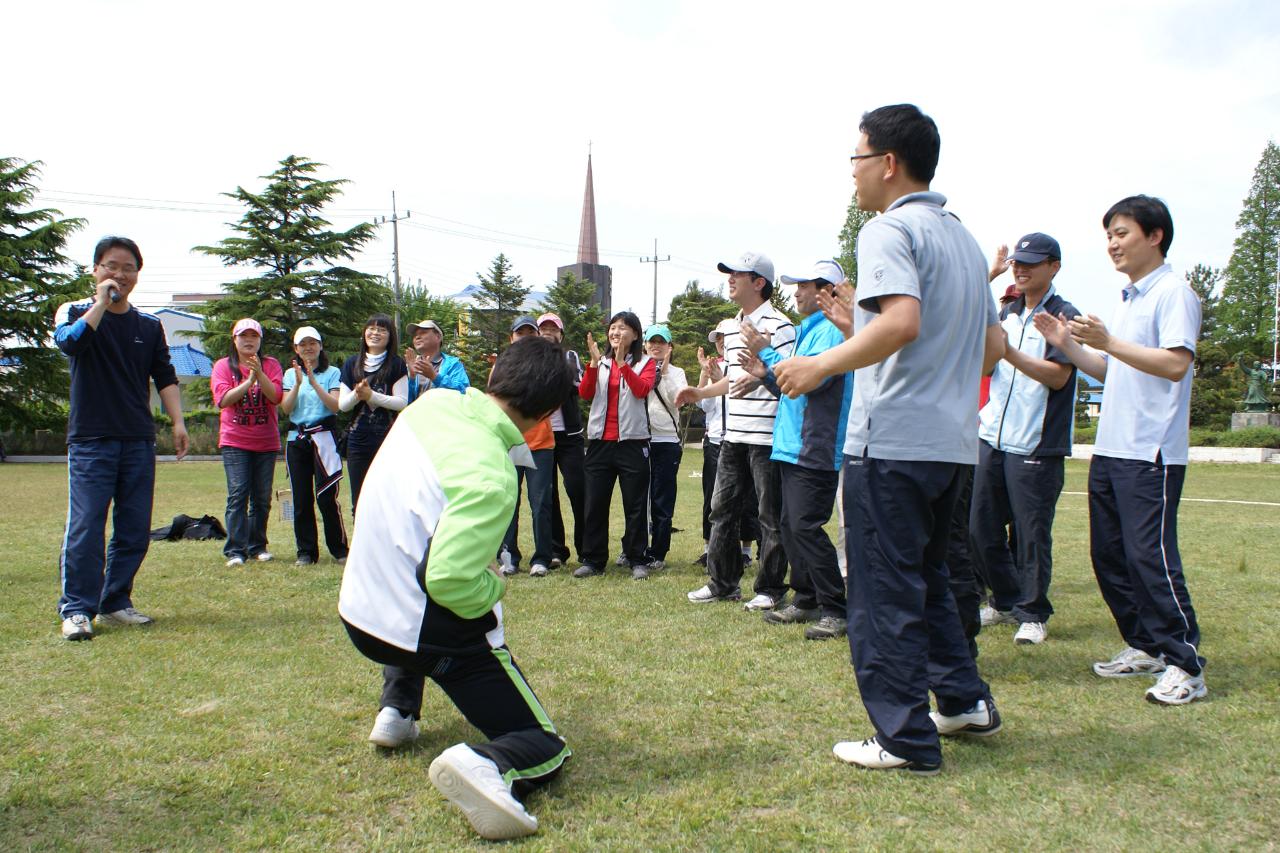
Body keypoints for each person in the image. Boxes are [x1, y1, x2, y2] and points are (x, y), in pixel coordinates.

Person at [775, 104, 1006, 774]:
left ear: (887, 162)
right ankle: (962, 700)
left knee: (882, 590)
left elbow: (901, 322)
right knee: (931, 579)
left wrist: (820, 362)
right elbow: (991, 348)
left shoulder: (887, 230)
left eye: (856, 157)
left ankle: (904, 735)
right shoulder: (962, 239)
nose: (851, 172)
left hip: (892, 443)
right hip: (952, 443)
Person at [339, 335, 574, 841]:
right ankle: (482, 763)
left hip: (359, 610)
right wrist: (493, 593)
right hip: (415, 629)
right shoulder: (493, 474)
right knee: (543, 742)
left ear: (492, 377)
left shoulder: (432, 405)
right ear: (548, 413)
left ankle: (397, 708)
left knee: (417, 552)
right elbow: (447, 579)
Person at [1034, 195, 1206, 705]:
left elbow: (1176, 364)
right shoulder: (1131, 298)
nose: (1112, 243)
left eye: (1123, 232)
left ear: (1155, 236)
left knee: (1149, 558)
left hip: (1150, 452)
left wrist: (1107, 342)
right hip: (1113, 449)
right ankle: (1147, 646)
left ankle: (1185, 664)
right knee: (1109, 555)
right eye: (1109, 234)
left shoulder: (1173, 293)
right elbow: (1117, 371)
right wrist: (1068, 345)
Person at [53, 235, 189, 641]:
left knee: (133, 527)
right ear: (95, 270)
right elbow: (70, 344)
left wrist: (177, 423)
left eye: (128, 268)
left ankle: (115, 601)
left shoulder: (148, 326)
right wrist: (100, 303)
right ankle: (77, 609)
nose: (120, 274)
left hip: (137, 439)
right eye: (111, 266)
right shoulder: (75, 312)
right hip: (91, 440)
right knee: (87, 526)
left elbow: (164, 376)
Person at [971, 233, 1081, 646]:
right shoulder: (1007, 312)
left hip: (1036, 442)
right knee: (978, 527)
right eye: (1018, 262)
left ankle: (1033, 612)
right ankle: (1004, 600)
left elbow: (1058, 376)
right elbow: (986, 367)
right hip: (992, 435)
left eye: (1032, 263)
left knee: (1032, 533)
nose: (1021, 268)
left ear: (1054, 267)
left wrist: (1009, 354)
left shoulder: (1064, 315)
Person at [742, 260, 853, 641]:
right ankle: (806, 597)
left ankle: (836, 608)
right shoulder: (809, 329)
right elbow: (792, 388)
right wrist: (767, 375)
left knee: (805, 526)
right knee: (791, 526)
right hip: (792, 443)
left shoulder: (834, 333)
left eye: (804, 286)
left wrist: (768, 354)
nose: (796, 292)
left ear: (828, 291)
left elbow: (814, 382)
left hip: (816, 444)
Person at [677, 253, 795, 608]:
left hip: (767, 437)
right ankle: (722, 582)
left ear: (759, 282)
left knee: (769, 516)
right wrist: (701, 392)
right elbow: (732, 379)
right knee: (721, 510)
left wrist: (760, 376)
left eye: (737, 274)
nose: (729, 279)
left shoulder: (781, 325)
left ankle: (770, 589)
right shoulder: (728, 327)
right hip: (733, 435)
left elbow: (786, 377)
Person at [574, 311, 656, 579]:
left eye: (622, 328)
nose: (616, 332)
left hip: (633, 442)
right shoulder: (601, 362)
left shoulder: (646, 363)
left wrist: (622, 364)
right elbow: (585, 394)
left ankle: (637, 558)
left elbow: (641, 390)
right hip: (600, 442)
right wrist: (594, 364)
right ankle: (593, 559)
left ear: (634, 334)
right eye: (613, 328)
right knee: (595, 503)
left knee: (635, 504)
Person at [211, 318, 284, 567]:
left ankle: (257, 546)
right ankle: (235, 550)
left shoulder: (271, 365)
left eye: (254, 336)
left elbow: (275, 396)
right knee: (238, 494)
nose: (248, 340)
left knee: (261, 498)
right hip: (235, 441)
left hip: (266, 441)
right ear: (235, 340)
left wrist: (260, 374)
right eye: (243, 336)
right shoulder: (223, 366)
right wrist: (249, 381)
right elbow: (223, 400)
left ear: (260, 340)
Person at [695, 320, 761, 571]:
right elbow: (705, 406)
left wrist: (720, 379)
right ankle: (709, 549)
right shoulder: (714, 366)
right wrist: (705, 375)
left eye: (725, 336)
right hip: (715, 439)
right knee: (711, 497)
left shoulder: (746, 364)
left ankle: (745, 550)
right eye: (717, 338)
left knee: (746, 499)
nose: (721, 342)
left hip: (742, 438)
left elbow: (743, 398)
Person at [280, 326, 348, 566]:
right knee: (301, 498)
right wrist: (299, 383)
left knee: (327, 496)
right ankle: (306, 552)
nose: (308, 348)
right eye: (303, 344)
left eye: (312, 343)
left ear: (320, 345)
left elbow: (335, 405)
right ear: (296, 349)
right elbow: (286, 408)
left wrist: (313, 382)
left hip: (324, 437)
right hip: (297, 440)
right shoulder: (290, 375)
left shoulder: (332, 372)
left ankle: (339, 549)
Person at [497, 316, 557, 577]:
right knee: (508, 501)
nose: (524, 337)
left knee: (541, 501)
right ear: (512, 337)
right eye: (519, 333)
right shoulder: (501, 364)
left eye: (529, 332)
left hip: (541, 444)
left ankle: (542, 557)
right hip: (509, 442)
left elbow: (554, 399)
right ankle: (509, 556)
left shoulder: (546, 364)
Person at [339, 314, 408, 513]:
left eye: (382, 330)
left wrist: (371, 395)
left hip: (387, 439)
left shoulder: (397, 364)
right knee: (359, 502)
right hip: (358, 440)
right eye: (371, 328)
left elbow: (401, 402)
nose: (375, 333)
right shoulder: (352, 364)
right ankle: (361, 544)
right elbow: (343, 405)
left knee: (387, 501)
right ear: (364, 332)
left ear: (390, 336)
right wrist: (358, 394)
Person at [536, 313, 587, 568]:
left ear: (561, 334)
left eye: (552, 328)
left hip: (569, 435)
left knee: (578, 489)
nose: (547, 331)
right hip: (541, 435)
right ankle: (557, 550)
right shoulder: (530, 358)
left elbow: (577, 383)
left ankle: (585, 548)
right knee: (548, 493)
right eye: (543, 327)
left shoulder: (569, 356)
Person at [642, 324, 688, 570]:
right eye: (652, 341)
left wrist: (666, 371)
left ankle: (658, 552)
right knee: (637, 499)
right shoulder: (638, 368)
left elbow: (676, 400)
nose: (656, 346)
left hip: (667, 441)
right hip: (639, 439)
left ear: (670, 347)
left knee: (661, 499)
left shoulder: (678, 373)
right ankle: (636, 548)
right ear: (645, 345)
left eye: (661, 342)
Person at [403, 318, 470, 403]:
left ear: (438, 337)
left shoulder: (453, 364)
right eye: (415, 335)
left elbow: (464, 392)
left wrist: (435, 377)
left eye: (423, 332)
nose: (417, 337)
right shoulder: (410, 365)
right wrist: (412, 377)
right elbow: (404, 402)